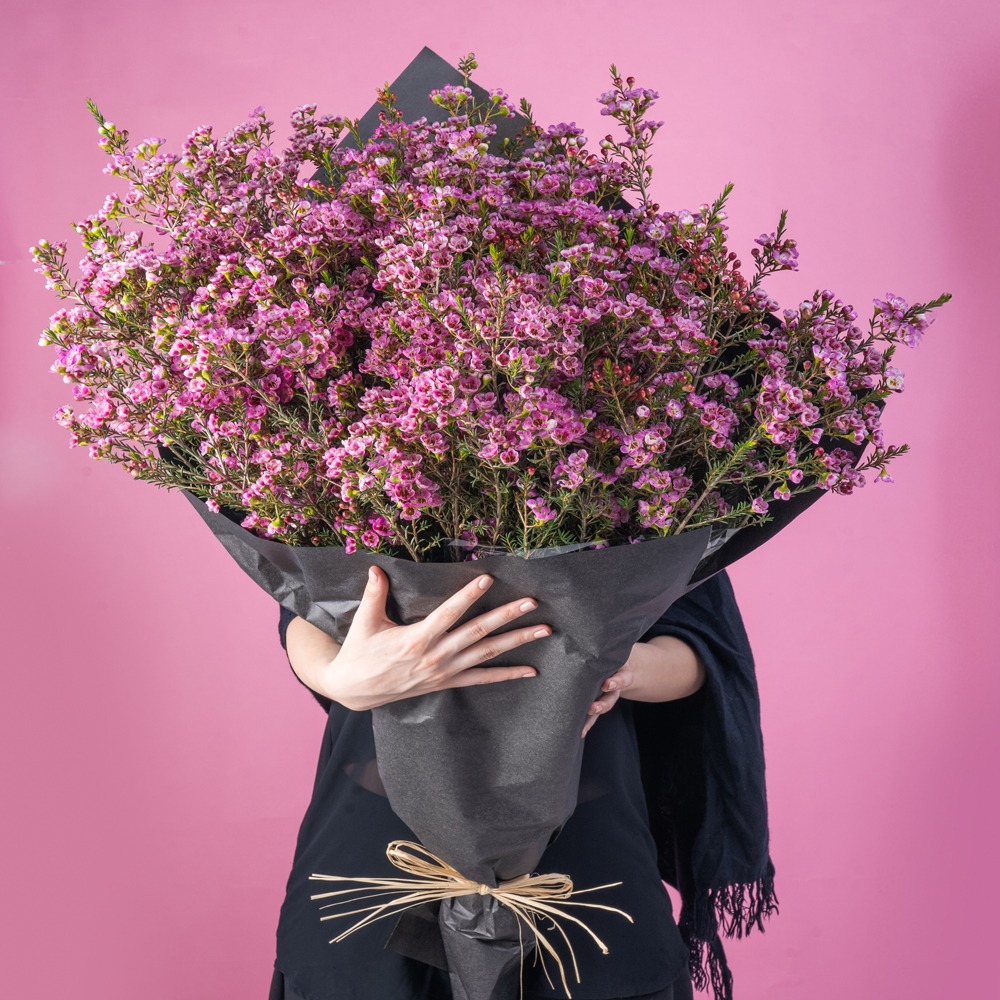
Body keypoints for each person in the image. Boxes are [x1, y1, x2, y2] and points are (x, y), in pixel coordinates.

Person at [268, 564, 772, 1000]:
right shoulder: (357, 464)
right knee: (364, 980)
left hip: (586, 837)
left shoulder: (637, 461)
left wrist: (620, 667)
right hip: (374, 836)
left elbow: (702, 646)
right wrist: (339, 678)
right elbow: (301, 608)